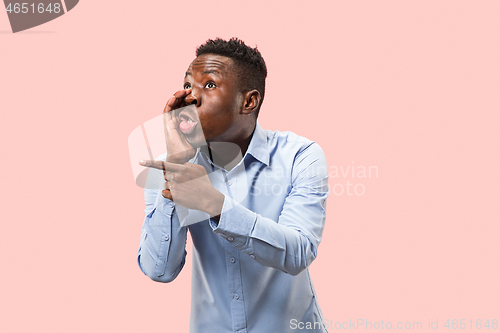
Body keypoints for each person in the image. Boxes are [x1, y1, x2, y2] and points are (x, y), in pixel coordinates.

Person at [137, 38, 329, 333]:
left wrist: (214, 205)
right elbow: (159, 270)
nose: (190, 98)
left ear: (248, 101)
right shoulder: (169, 165)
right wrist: (178, 162)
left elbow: (298, 252)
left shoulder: (299, 156)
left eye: (209, 85)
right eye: (188, 85)